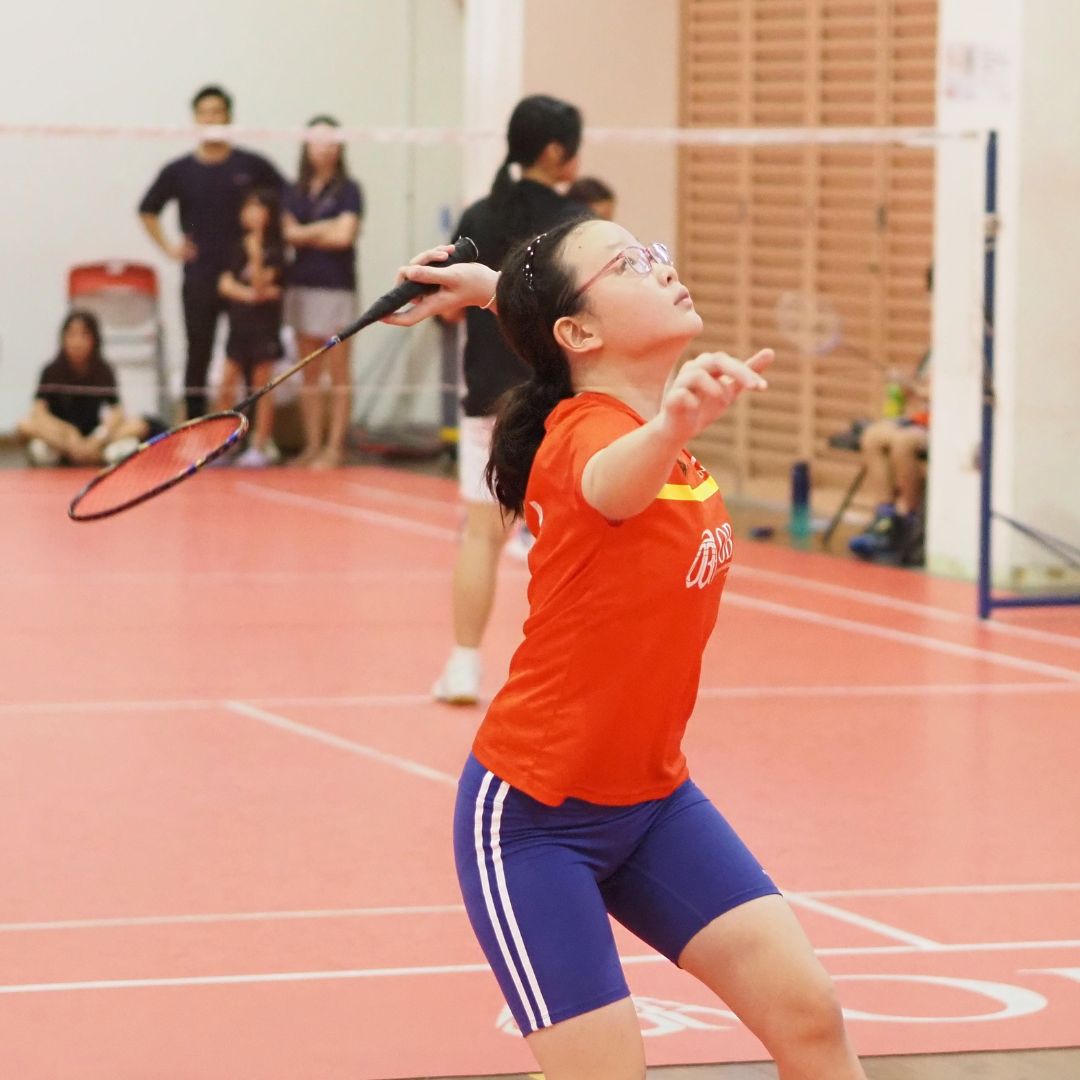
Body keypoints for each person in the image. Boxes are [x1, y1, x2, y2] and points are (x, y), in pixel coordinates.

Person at [386, 218, 866, 1080]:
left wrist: (493, 289)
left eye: (653, 253)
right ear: (580, 332)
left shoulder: (633, 414)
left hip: (654, 801)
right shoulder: (587, 437)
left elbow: (570, 342)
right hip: (533, 821)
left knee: (811, 1018)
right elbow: (610, 485)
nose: (662, 268)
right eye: (631, 265)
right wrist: (673, 425)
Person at [433, 93, 588, 706]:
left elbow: (447, 307)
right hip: (560, 401)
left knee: (482, 535)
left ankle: (463, 666)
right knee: (573, 546)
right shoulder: (577, 225)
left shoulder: (480, 213)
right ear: (555, 151)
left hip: (490, 400)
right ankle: (568, 679)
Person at [138, 85, 285, 420]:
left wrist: (269, 253)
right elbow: (147, 209)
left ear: (229, 117)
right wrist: (170, 248)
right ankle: (194, 428)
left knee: (248, 356)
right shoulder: (179, 170)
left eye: (217, 112)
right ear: (195, 119)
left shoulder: (253, 165)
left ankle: (246, 433)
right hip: (200, 277)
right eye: (204, 113)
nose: (211, 118)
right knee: (198, 353)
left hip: (243, 280)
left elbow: (284, 202)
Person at [283, 116, 363, 468]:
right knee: (310, 374)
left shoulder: (349, 190)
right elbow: (288, 235)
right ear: (306, 146)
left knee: (338, 373)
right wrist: (325, 226)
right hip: (301, 286)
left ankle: (334, 448)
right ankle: (312, 446)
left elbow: (344, 237)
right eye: (318, 141)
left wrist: (307, 232)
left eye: (332, 141)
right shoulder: (294, 190)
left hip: (337, 287)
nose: (325, 148)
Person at [17, 311, 159, 466]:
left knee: (139, 425)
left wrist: (98, 439)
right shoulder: (51, 371)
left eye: (84, 335)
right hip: (61, 438)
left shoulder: (104, 371)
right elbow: (39, 411)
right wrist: (68, 434)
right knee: (25, 425)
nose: (77, 342)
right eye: (71, 335)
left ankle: (91, 453)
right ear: (63, 338)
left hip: (94, 435)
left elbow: (117, 410)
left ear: (94, 339)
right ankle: (77, 454)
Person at [215, 188, 287, 467]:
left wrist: (256, 254)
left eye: (258, 208)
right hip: (239, 323)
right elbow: (225, 284)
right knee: (227, 383)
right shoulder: (236, 245)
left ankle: (259, 444)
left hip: (264, 326)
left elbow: (261, 283)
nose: (252, 213)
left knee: (261, 385)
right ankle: (223, 444)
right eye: (248, 207)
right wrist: (249, 295)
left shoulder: (276, 250)